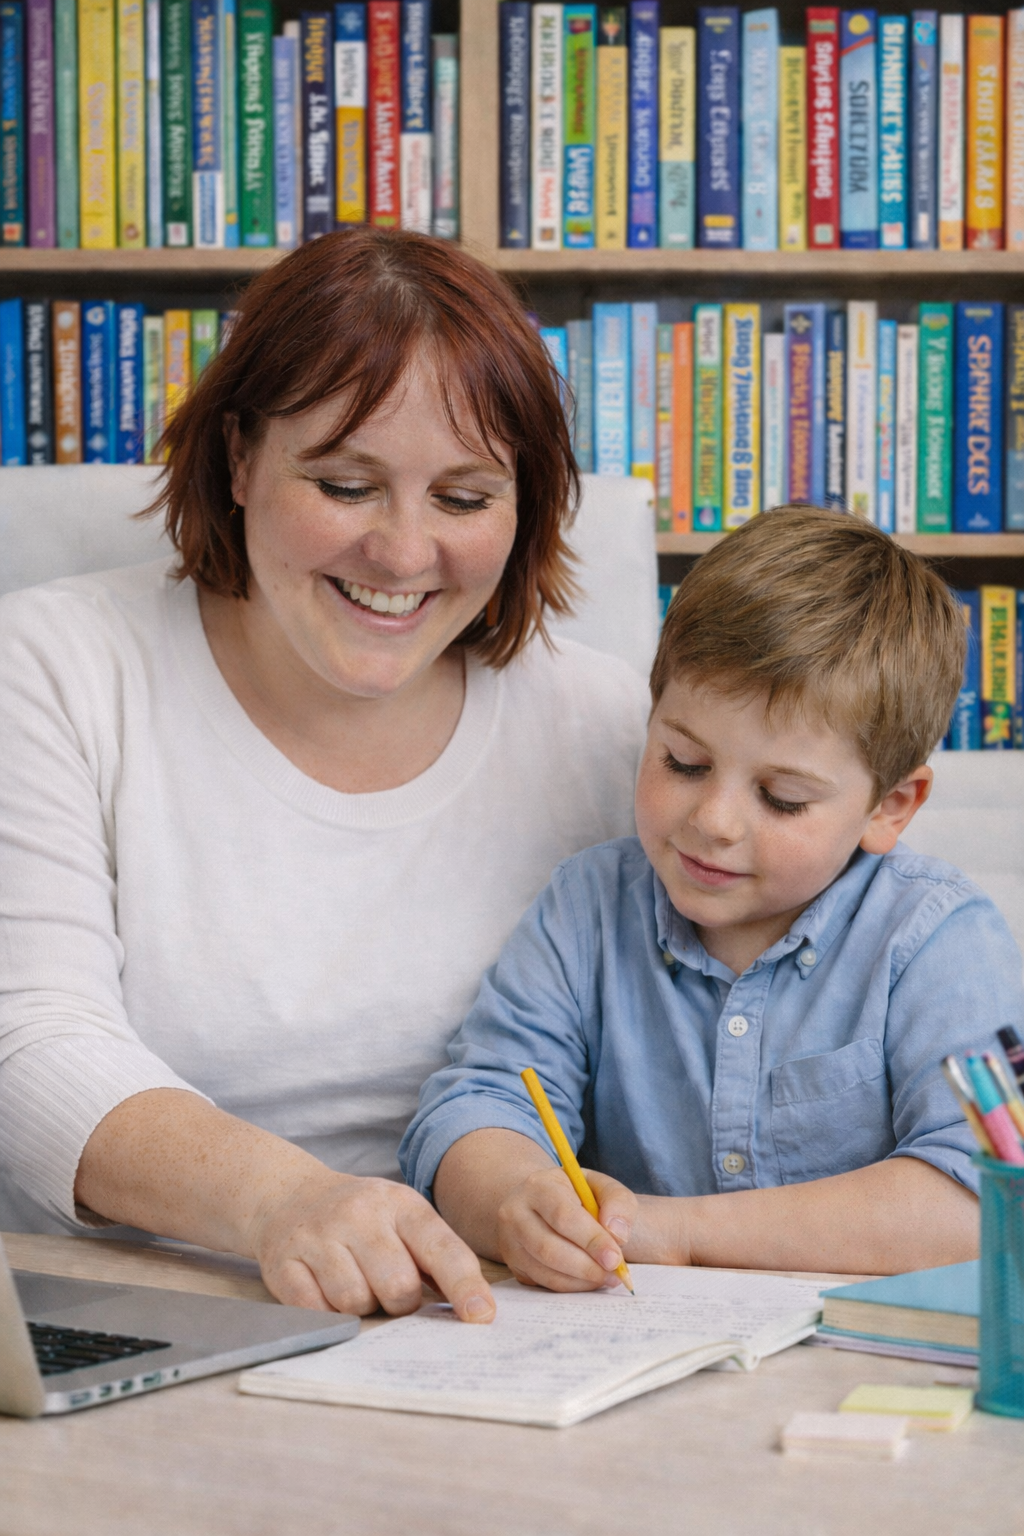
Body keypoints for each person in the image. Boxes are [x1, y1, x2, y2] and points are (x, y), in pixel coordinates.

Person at [0, 229, 648, 1321]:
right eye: (346, 485)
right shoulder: (54, 669)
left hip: (503, 1325)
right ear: (240, 459)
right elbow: (30, 1044)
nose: (400, 556)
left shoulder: (610, 725)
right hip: (144, 1309)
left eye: (462, 498)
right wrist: (284, 1201)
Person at [401, 506, 1024, 1289]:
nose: (714, 822)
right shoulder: (587, 908)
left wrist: (681, 1232)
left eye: (783, 798)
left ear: (889, 808)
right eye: (684, 762)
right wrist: (512, 1196)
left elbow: (983, 1195)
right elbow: (477, 1104)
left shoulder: (938, 938)